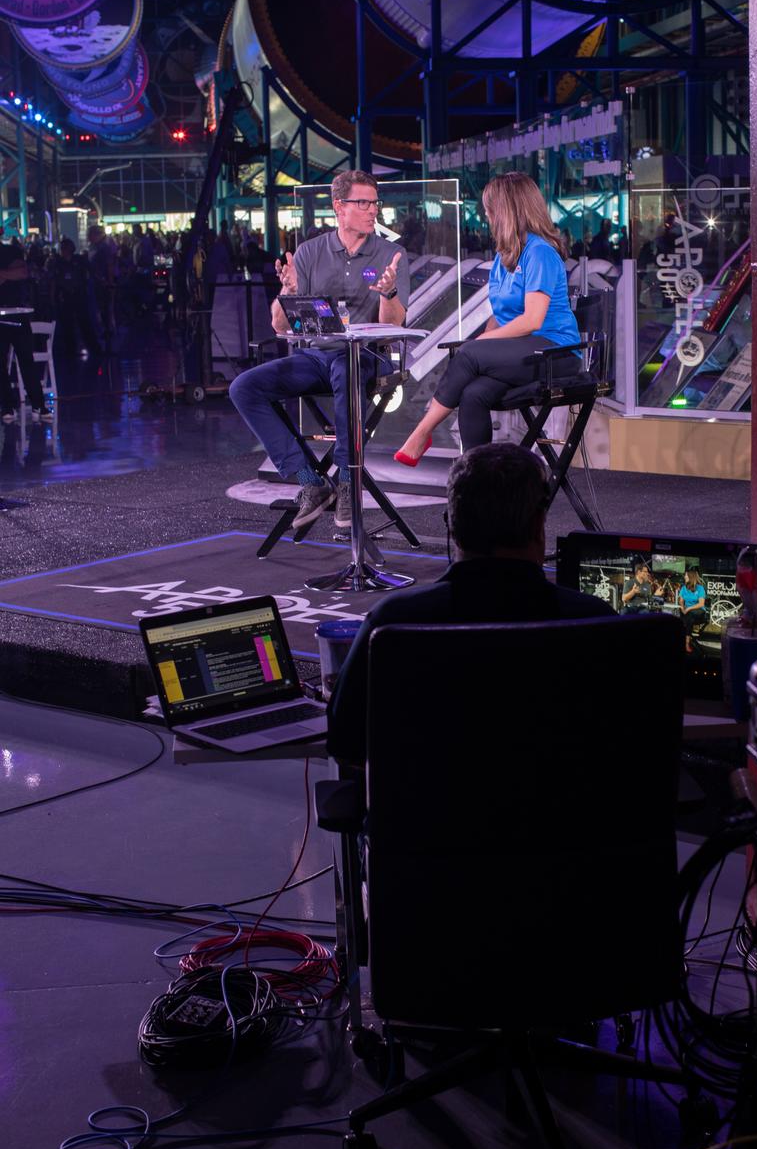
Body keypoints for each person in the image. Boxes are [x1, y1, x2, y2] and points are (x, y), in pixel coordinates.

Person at [327, 444, 614, 765]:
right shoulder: (595, 622)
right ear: (538, 525)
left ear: (451, 525)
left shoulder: (394, 621)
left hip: (428, 814)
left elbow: (344, 740)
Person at [229, 169, 410, 531]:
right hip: (314, 357)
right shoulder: (310, 252)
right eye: (363, 203)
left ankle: (346, 478)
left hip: (366, 357)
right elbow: (280, 327)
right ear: (339, 207)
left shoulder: (391, 254)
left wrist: (388, 293)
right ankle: (310, 481)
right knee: (244, 387)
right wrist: (290, 292)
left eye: (375, 203)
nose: (373, 210)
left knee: (346, 366)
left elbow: (395, 327)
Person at [393, 172, 579, 465]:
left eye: (490, 209)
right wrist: (484, 345)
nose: (486, 216)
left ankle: (422, 431)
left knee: (469, 352)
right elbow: (500, 316)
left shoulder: (539, 252)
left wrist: (480, 345)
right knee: (473, 394)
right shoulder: (504, 257)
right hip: (521, 351)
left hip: (555, 351)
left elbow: (532, 320)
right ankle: (476, 478)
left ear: (506, 211)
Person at [0, 233, 49, 424]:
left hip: (18, 314)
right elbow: (18, 272)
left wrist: (2, 273)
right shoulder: (12, 252)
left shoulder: (12, 249)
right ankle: (7, 406)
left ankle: (38, 404)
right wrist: (8, 272)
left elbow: (22, 272)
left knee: (26, 360)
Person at [678, 567, 707, 653]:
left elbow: (701, 604)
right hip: (688, 613)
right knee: (685, 616)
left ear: (691, 577)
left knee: (689, 615)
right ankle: (686, 640)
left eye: (686, 576)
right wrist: (683, 608)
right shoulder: (683, 588)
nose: (684, 577)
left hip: (699, 611)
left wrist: (689, 608)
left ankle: (686, 643)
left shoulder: (700, 588)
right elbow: (681, 601)